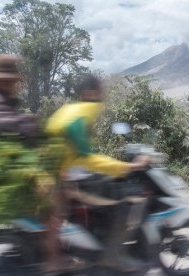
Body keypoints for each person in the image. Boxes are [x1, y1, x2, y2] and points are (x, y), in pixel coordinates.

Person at [0, 54, 73, 274]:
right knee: (57, 198)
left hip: (7, 171)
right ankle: (53, 259)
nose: (11, 84)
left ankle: (31, 243)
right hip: (7, 175)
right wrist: (29, 124)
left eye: (12, 81)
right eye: (7, 80)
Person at [45, 73, 149, 272]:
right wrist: (126, 167)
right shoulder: (86, 111)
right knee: (129, 197)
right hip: (73, 179)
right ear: (91, 93)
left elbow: (80, 148)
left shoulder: (69, 109)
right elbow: (86, 156)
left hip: (60, 175)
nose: (104, 95)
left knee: (109, 184)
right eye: (101, 90)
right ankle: (112, 257)